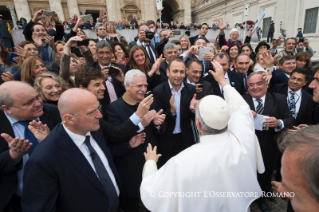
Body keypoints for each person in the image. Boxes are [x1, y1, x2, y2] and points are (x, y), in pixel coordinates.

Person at [140, 60, 265, 212]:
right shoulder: (242, 143)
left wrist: (151, 163)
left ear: (198, 125)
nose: (178, 75)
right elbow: (242, 109)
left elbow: (152, 189)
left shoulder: (181, 162)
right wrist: (222, 80)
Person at [21, 89, 125, 212]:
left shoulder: (94, 128)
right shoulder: (43, 159)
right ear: (69, 119)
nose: (100, 115)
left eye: (98, 108)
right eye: (92, 112)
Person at [107, 69, 165, 212]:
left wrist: (158, 124)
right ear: (127, 85)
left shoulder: (150, 102)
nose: (144, 89)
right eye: (139, 86)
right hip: (130, 167)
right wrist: (141, 125)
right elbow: (116, 136)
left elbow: (161, 131)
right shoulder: (114, 108)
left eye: (145, 86)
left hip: (152, 162)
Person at [0, 81, 61, 211]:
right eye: (28, 103)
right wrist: (12, 157)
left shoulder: (54, 112)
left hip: (57, 197)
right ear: (7, 108)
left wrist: (49, 143)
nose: (38, 104)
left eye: (37, 97)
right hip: (13, 203)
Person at [243, 72, 295, 212]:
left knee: (266, 173)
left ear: (266, 84)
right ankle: (249, 197)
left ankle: (263, 196)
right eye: (251, 85)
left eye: (259, 83)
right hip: (247, 146)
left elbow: (290, 119)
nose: (255, 87)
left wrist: (279, 122)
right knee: (248, 173)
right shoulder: (241, 101)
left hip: (270, 145)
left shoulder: (279, 99)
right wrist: (244, 115)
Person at [152, 58, 197, 165]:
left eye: (181, 72)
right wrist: (171, 112)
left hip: (185, 138)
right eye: (175, 71)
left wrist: (194, 110)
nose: (178, 75)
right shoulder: (158, 91)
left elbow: (193, 118)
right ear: (167, 72)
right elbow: (159, 119)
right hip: (166, 140)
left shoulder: (190, 89)